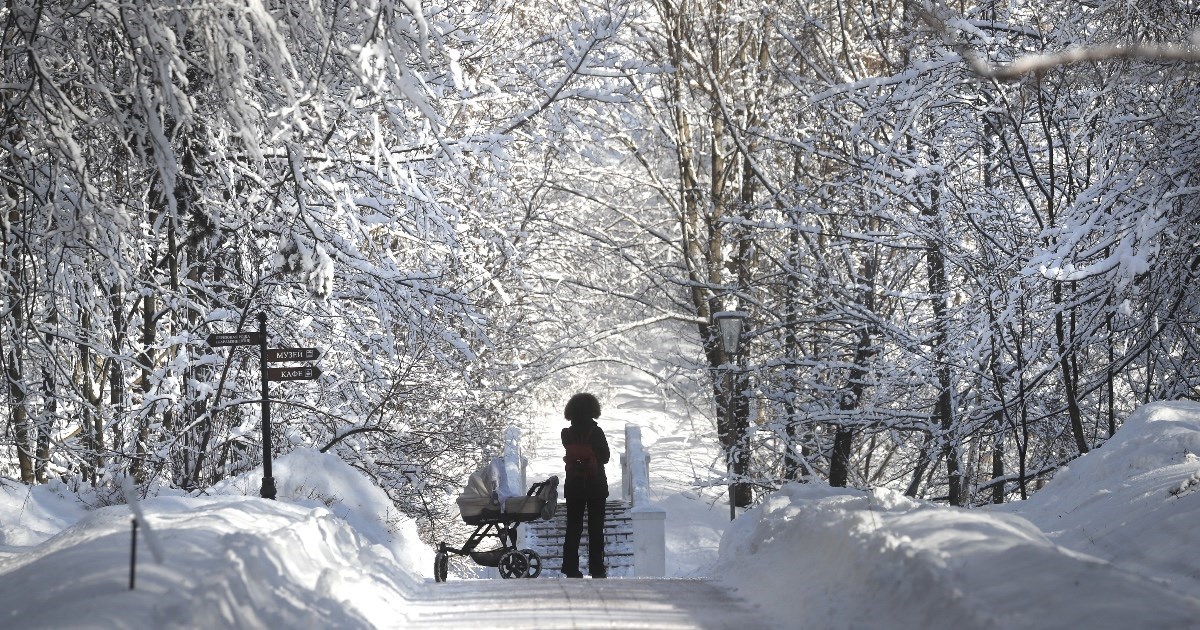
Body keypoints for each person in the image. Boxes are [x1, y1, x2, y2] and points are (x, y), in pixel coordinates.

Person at [560, 392, 610, 578]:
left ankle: (570, 567)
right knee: (596, 528)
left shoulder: (567, 433)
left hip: (574, 485)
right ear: (592, 410)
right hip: (596, 485)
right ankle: (597, 568)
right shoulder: (596, 432)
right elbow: (605, 457)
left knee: (574, 527)